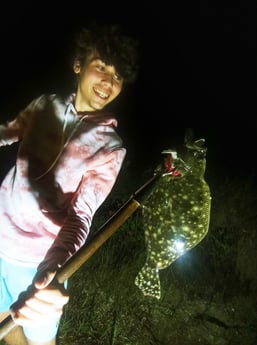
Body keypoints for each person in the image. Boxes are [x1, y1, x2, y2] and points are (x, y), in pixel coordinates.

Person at [0, 23, 139, 345]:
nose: (108, 80)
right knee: (6, 318)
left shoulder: (110, 147)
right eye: (101, 66)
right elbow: (7, 132)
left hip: (38, 260)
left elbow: (82, 214)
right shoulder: (44, 105)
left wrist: (54, 268)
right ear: (78, 65)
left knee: (40, 338)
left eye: (117, 75)